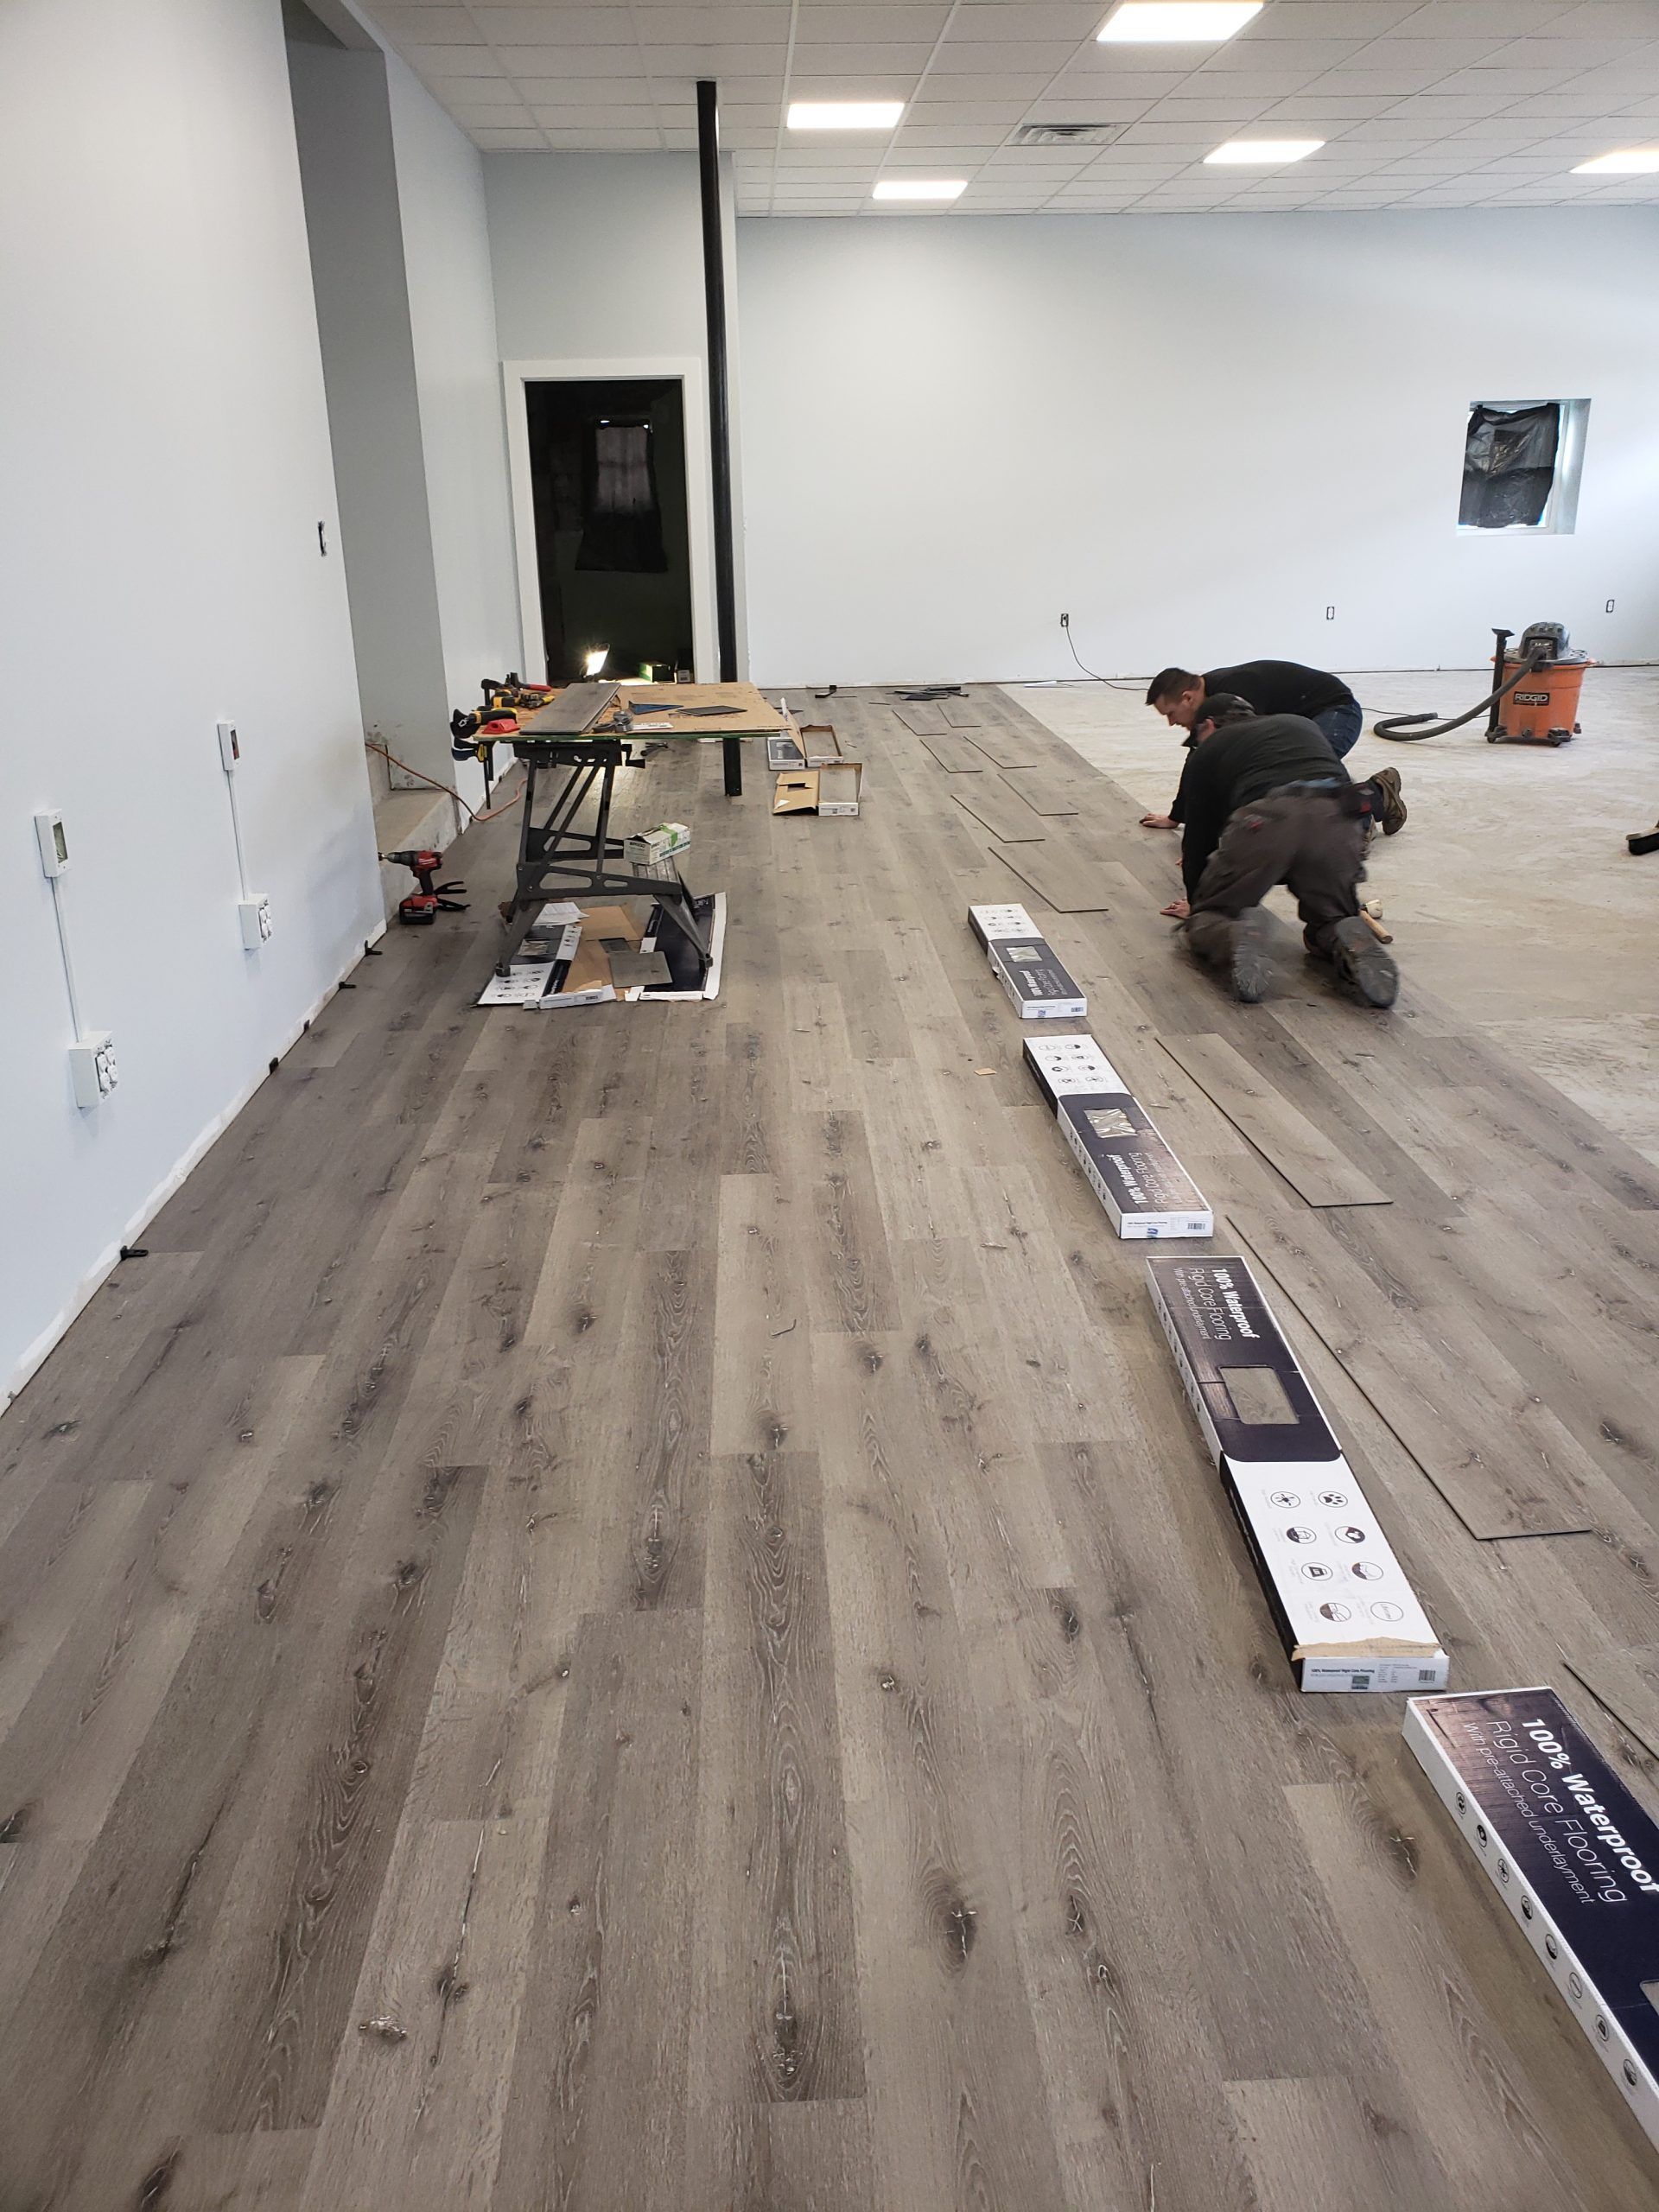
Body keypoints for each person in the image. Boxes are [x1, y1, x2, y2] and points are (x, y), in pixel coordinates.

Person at [1169, 693, 1399, 1007]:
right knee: (1330, 918)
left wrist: (1200, 905)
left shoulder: (1209, 749)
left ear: (1207, 725)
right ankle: (1344, 931)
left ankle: (1233, 933)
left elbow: (1198, 841)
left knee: (1209, 919)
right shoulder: (1298, 723)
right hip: (1339, 819)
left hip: (1269, 819)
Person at [1141, 660, 1406, 837]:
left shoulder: (1238, 690)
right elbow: (1200, 761)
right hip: (1300, 722)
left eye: (1171, 713)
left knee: (1303, 773)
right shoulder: (1210, 704)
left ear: (1187, 698)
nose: (1171, 723)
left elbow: (1253, 758)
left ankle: (1371, 805)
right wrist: (1177, 817)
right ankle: (1368, 802)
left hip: (1335, 712)